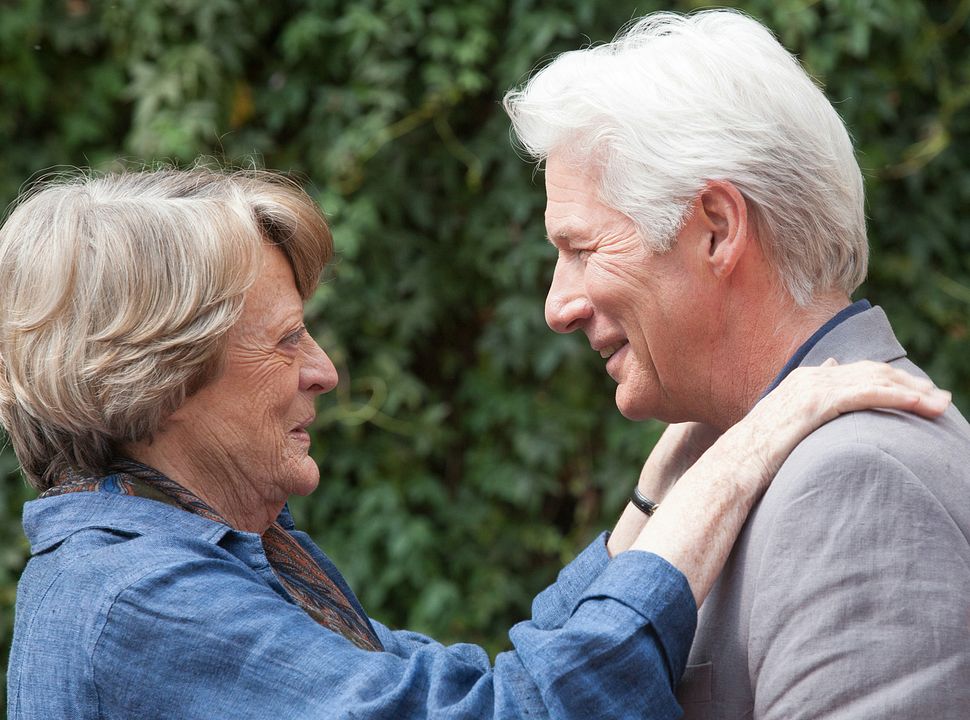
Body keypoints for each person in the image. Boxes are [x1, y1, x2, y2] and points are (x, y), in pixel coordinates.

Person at [0, 168, 948, 720]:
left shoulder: (195, 558)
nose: (324, 371)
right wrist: (745, 453)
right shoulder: (137, 609)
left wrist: (653, 505)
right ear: (158, 380)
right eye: (286, 339)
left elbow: (454, 689)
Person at [503, 8, 970, 720]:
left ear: (717, 229)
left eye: (583, 250)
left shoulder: (857, 479)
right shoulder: (740, 464)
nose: (557, 306)